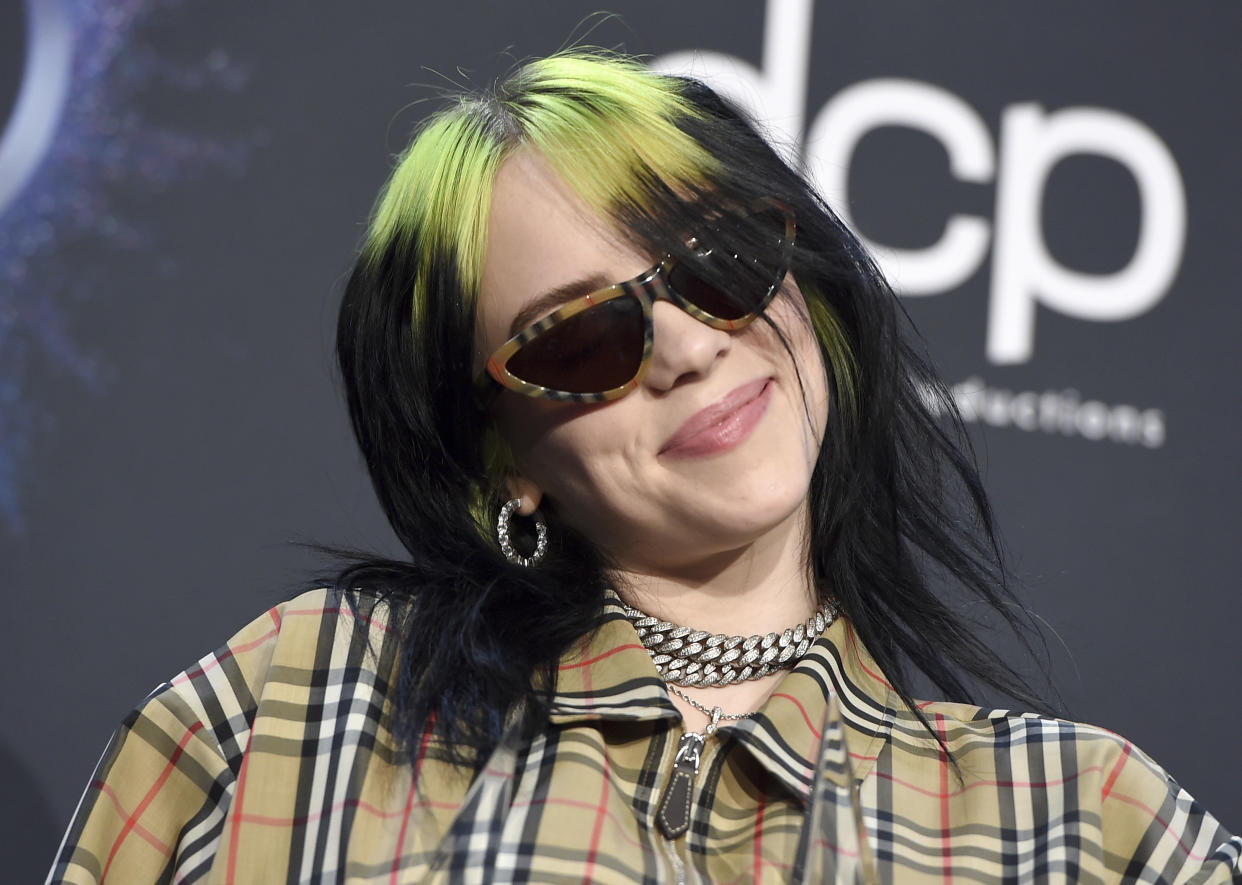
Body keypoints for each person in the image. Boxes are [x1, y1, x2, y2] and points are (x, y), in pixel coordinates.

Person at [47, 51, 1239, 884]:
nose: (687, 344)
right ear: (499, 458)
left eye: (718, 258)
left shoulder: (1080, 824)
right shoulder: (305, 702)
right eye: (582, 336)